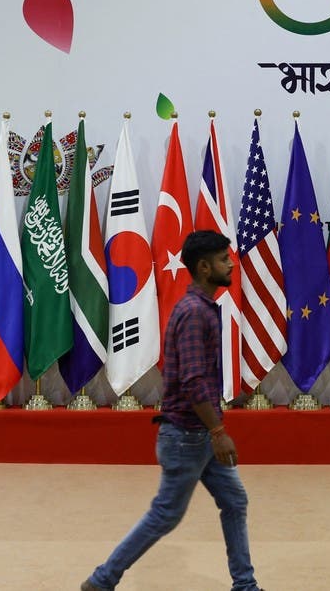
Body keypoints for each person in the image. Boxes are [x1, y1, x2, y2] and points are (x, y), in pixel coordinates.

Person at [84, 230, 260, 591]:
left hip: (198, 435)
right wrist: (218, 432)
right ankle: (102, 579)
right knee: (165, 514)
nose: (231, 264)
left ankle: (245, 585)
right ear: (204, 267)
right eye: (223, 259)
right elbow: (194, 382)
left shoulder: (200, 307)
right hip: (188, 437)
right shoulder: (195, 313)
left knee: (234, 500)